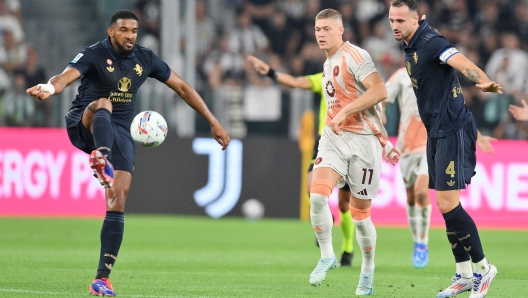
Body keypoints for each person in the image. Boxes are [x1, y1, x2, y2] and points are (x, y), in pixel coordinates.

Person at [26, 10, 230, 297]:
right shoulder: (94, 53)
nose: (130, 35)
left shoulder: (145, 58)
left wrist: (213, 121)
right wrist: (49, 87)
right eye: (123, 30)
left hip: (121, 131)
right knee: (104, 103)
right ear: (111, 32)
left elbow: (183, 87)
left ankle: (101, 280)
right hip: (84, 121)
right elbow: (65, 76)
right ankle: (102, 158)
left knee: (117, 200)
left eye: (134, 30)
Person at [388, 1, 501, 297]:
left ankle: (483, 268)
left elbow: (460, 62)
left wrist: (483, 81)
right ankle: (463, 273)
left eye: (400, 19)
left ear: (416, 19)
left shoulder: (430, 41)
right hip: (435, 133)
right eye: (391, 20)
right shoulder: (410, 46)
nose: (395, 25)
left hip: (452, 130)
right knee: (443, 205)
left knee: (448, 204)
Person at [308, 8, 400, 296]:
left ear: (341, 30)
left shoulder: (356, 55)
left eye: (326, 29)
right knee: (317, 195)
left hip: (363, 144)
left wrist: (383, 141)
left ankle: (368, 271)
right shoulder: (327, 64)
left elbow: (380, 91)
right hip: (333, 137)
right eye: (317, 29)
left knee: (361, 217)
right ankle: (327, 255)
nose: (321, 34)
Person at [246, 55, 355, 267]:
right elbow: (296, 82)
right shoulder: (324, 78)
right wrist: (270, 72)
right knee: (310, 189)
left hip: (349, 143)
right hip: (325, 141)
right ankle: (327, 220)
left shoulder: (358, 83)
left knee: (344, 204)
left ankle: (348, 248)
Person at [384, 67, 431, 269]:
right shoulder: (402, 75)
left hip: (430, 143)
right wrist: (382, 113)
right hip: (406, 145)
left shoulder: (439, 72)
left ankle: (423, 243)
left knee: (422, 192)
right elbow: (383, 97)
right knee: (411, 197)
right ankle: (417, 241)